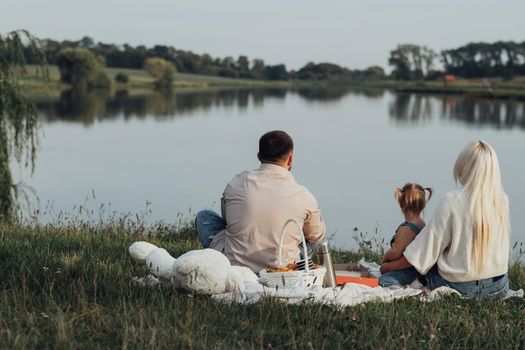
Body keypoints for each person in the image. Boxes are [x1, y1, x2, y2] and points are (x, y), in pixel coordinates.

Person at [380, 140, 510, 297]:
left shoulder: (452, 201)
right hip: (499, 287)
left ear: (465, 166)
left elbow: (421, 255)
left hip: (461, 288)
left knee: (424, 263)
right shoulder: (502, 200)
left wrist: (389, 267)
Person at [195, 130, 326, 273]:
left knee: (204, 216)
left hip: (233, 265)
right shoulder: (304, 196)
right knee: (315, 235)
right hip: (281, 268)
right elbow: (316, 236)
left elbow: (228, 221)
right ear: (290, 159)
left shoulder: (236, 182)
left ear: (259, 156)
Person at [379, 183, 432, 287]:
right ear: (423, 206)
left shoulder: (405, 230)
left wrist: (386, 257)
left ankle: (406, 286)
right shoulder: (422, 224)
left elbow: (395, 252)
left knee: (383, 280)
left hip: (405, 271)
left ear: (402, 205)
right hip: (417, 269)